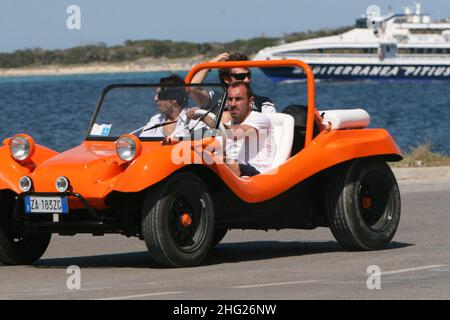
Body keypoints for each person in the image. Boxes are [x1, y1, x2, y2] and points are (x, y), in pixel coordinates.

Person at [191, 52, 276, 114]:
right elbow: (193, 88)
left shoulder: (263, 103)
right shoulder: (214, 100)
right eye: (240, 76)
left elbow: (271, 130)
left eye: (248, 75)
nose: (247, 80)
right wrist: (209, 65)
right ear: (226, 79)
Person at [222, 82, 275, 177]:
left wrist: (210, 121)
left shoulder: (260, 118)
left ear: (250, 101)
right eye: (230, 99)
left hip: (258, 173)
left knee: (221, 161)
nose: (233, 104)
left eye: (238, 99)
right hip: (238, 170)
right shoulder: (228, 125)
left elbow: (236, 134)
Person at [140, 74, 206, 138]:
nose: (155, 98)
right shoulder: (156, 119)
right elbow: (140, 142)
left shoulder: (195, 120)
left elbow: (199, 145)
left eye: (160, 95)